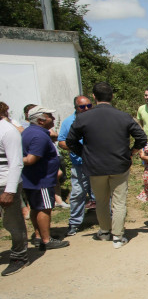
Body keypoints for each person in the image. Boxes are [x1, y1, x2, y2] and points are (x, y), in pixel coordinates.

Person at [66, 82, 148, 249]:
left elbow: (70, 141)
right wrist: (131, 152)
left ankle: (104, 231)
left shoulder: (82, 117)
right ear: (112, 96)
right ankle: (118, 236)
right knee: (119, 201)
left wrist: (84, 154)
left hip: (95, 167)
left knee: (101, 201)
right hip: (119, 165)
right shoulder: (124, 116)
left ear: (94, 97)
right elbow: (142, 138)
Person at [21, 106, 69, 250]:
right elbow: (30, 159)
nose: (53, 119)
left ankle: (38, 236)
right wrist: (14, 159)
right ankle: (47, 240)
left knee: (36, 207)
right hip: (41, 179)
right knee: (44, 208)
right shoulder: (39, 136)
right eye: (50, 116)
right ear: (41, 120)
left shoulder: (30, 131)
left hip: (32, 179)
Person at [57, 95, 95, 236]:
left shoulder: (97, 119)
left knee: (103, 192)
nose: (86, 109)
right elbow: (61, 142)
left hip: (98, 163)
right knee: (78, 193)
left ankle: (108, 219)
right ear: (76, 108)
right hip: (80, 164)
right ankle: (74, 223)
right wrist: (78, 149)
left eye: (89, 106)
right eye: (82, 107)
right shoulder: (69, 122)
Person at [0, 102, 29, 275]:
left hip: (5, 183)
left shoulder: (8, 131)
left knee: (13, 222)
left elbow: (17, 162)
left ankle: (19, 256)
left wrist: (9, 190)